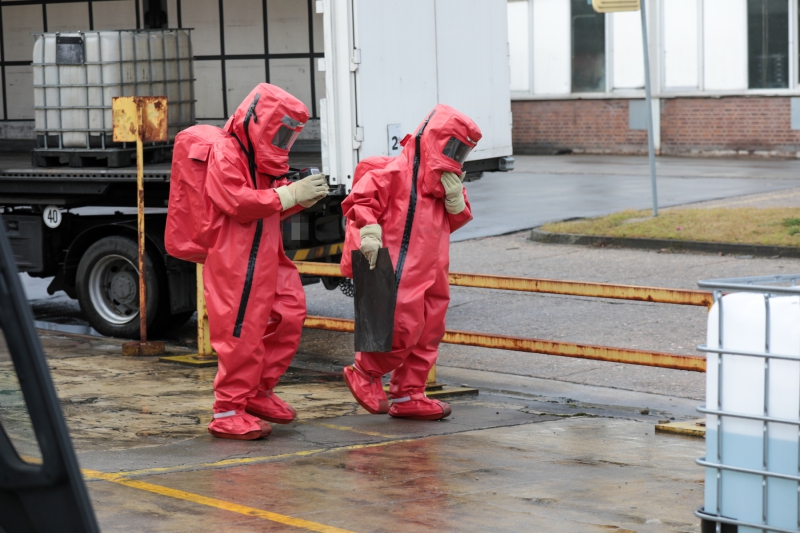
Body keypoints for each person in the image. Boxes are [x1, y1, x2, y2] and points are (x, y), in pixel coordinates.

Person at [339, 104, 481, 421]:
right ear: (433, 139)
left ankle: (409, 393)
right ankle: (364, 373)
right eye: (453, 147)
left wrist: (456, 201)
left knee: (429, 331)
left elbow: (455, 221)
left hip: (432, 269)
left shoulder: (444, 186)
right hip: (393, 267)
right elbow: (361, 200)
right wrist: (369, 232)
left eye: (461, 151)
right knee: (399, 327)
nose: (456, 157)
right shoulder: (393, 174)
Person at [203, 84, 328, 440]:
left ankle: (258, 391)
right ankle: (227, 410)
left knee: (289, 314)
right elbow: (237, 202)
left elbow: (268, 206)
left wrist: (299, 197)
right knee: (240, 333)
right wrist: (289, 193)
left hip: (268, 252)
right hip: (235, 258)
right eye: (280, 132)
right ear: (260, 120)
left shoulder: (261, 158)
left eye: (288, 134)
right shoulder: (226, 152)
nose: (282, 141)